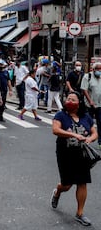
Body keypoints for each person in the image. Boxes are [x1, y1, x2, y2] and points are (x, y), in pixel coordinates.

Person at [50, 91, 98, 226]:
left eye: (73, 99)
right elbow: (55, 130)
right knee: (67, 185)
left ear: (79, 103)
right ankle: (57, 191)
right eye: (68, 99)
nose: (69, 101)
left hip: (82, 154)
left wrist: (90, 138)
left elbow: (94, 133)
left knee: (82, 182)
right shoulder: (61, 115)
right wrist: (75, 135)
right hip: (65, 153)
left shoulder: (86, 116)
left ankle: (80, 213)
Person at [81, 62, 101, 148]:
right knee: (87, 123)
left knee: (100, 123)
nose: (99, 71)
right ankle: (84, 139)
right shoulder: (87, 77)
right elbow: (84, 90)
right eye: (98, 69)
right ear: (93, 69)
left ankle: (100, 142)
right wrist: (90, 101)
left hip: (99, 104)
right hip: (89, 105)